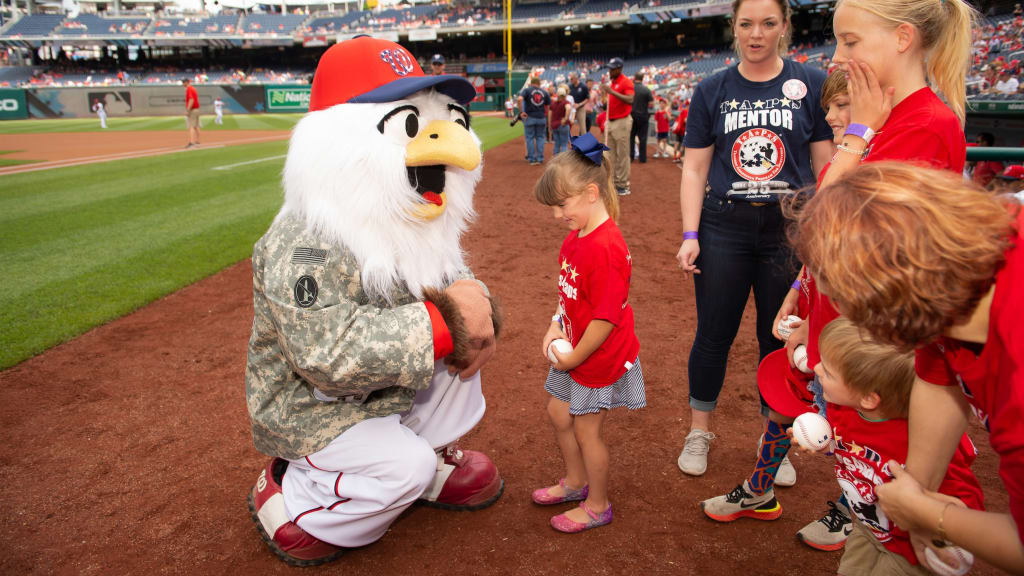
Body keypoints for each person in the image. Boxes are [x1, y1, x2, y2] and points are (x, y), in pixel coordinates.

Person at [245, 37, 503, 566]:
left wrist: (472, 311)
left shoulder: (406, 217)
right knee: (401, 465)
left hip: (377, 392)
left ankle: (419, 460)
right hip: (311, 406)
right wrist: (446, 320)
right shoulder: (306, 239)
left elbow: (454, 283)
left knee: (463, 353)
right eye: (409, 124)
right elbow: (326, 357)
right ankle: (291, 495)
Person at [791, 162, 1024, 574]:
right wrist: (916, 491)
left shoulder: (1016, 378)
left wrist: (933, 517)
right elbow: (936, 379)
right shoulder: (952, 293)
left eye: (847, 304)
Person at [674, 0, 833, 478]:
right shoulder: (712, 89)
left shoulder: (811, 83)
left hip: (789, 229)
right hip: (725, 225)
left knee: (777, 338)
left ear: (785, 26)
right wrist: (690, 233)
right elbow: (696, 167)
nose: (756, 33)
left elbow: (826, 165)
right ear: (734, 28)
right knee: (713, 335)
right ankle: (699, 431)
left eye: (768, 23)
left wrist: (825, 234)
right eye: (746, 24)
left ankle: (773, 443)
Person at [701, 69, 855, 552]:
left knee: (855, 417)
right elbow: (821, 244)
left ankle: (858, 511)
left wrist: (819, 316)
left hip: (852, 315)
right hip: (817, 302)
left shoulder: (877, 160)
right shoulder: (844, 158)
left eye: (842, 106)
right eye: (828, 108)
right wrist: (797, 291)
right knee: (788, 397)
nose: (830, 118)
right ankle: (761, 490)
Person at [767, 316, 984, 576]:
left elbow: (962, 494)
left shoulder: (922, 436)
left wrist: (952, 523)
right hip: (868, 528)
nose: (817, 368)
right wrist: (828, 447)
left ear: (869, 398)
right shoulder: (842, 408)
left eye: (829, 370)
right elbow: (855, 447)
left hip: (912, 549)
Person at [532, 133, 645, 533]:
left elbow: (605, 318)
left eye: (562, 205)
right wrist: (554, 324)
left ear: (591, 193)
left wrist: (576, 356)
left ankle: (598, 505)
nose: (556, 215)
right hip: (576, 347)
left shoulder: (607, 247)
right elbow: (568, 295)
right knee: (558, 412)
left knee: (586, 428)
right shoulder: (575, 239)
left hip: (598, 355)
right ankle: (576, 483)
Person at [601, 58, 635, 196]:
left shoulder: (625, 81)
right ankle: (613, 182)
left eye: (612, 68)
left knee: (622, 154)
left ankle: (623, 185)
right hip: (611, 120)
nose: (610, 71)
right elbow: (608, 104)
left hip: (622, 121)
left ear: (619, 69)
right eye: (609, 68)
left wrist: (611, 92)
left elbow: (630, 99)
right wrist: (605, 95)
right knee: (610, 155)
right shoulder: (613, 82)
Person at [519, 76, 550, 165]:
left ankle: (532, 159)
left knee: (530, 138)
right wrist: (546, 116)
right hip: (541, 117)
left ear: (532, 83)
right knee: (540, 138)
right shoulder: (544, 92)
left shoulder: (527, 90)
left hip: (530, 117)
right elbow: (548, 106)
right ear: (539, 84)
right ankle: (540, 158)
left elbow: (520, 99)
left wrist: (521, 112)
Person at [629, 72, 653, 164]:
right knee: (642, 138)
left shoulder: (631, 88)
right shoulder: (646, 89)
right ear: (642, 78)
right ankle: (642, 158)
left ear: (635, 78)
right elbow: (651, 103)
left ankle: (631, 156)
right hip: (643, 115)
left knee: (631, 137)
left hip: (631, 115)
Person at [549, 85, 573, 155]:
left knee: (557, 143)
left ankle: (556, 158)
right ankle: (563, 160)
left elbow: (550, 115)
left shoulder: (553, 103)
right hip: (563, 125)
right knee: (564, 144)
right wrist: (565, 119)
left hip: (554, 125)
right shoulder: (566, 102)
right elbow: (568, 108)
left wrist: (550, 124)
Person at [568, 72, 589, 136]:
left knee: (582, 126)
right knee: (568, 124)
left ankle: (584, 141)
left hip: (580, 108)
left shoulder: (583, 86)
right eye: (570, 79)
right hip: (571, 108)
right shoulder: (570, 86)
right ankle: (567, 138)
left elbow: (587, 98)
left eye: (572, 79)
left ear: (576, 78)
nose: (570, 80)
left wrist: (579, 104)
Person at [183, 78, 200, 148]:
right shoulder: (193, 88)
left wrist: (187, 110)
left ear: (187, 82)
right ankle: (197, 141)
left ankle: (192, 142)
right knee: (196, 126)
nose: (183, 84)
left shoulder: (189, 89)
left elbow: (191, 99)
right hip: (197, 109)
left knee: (191, 126)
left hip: (192, 110)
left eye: (184, 82)